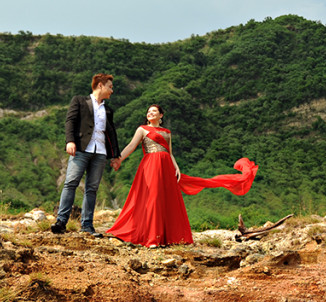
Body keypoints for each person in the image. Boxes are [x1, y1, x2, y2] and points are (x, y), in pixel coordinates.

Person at [106, 104, 257, 247]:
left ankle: (166, 237)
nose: (150, 113)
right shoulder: (142, 129)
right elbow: (132, 145)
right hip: (151, 165)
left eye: (154, 111)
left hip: (166, 167)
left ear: (161, 115)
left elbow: (169, 152)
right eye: (148, 111)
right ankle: (151, 238)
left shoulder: (167, 132)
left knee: (165, 199)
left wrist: (176, 167)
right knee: (152, 198)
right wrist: (119, 159)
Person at [51, 73, 121, 236]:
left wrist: (115, 155)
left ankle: (87, 225)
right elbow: (70, 121)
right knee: (71, 183)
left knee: (92, 189)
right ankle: (61, 221)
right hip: (81, 149)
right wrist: (70, 141)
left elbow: (111, 133)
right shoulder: (80, 101)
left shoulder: (108, 110)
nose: (112, 90)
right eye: (110, 86)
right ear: (100, 86)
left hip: (100, 153)